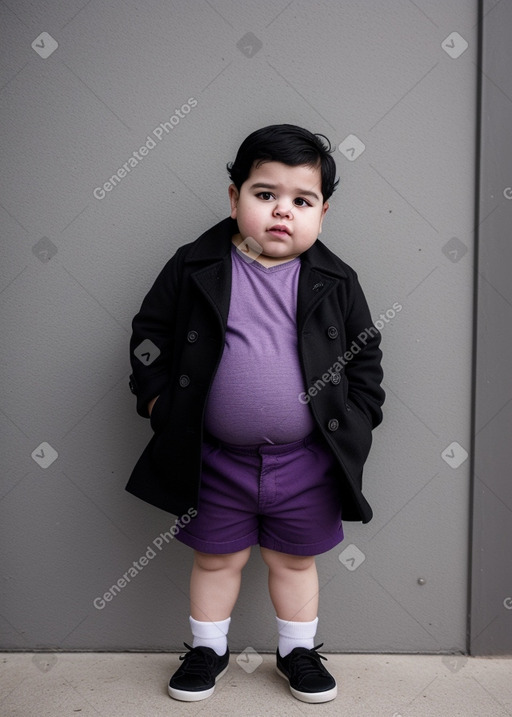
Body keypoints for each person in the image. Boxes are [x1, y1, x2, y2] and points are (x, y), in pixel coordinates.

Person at [126, 124, 385, 704]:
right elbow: (149, 336)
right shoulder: (196, 266)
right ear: (234, 197)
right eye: (264, 194)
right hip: (214, 458)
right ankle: (206, 648)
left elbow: (364, 356)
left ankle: (297, 650)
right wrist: (157, 402)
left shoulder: (336, 280)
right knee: (217, 559)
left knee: (295, 562)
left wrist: (359, 416)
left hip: (306, 462)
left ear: (324, 212)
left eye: (302, 200)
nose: (281, 212)